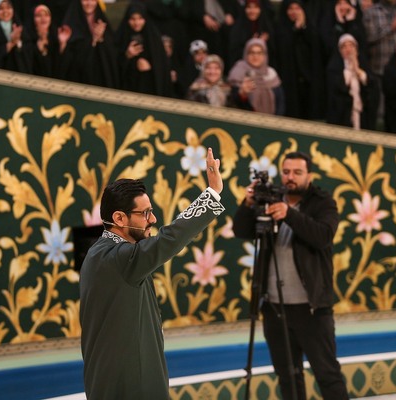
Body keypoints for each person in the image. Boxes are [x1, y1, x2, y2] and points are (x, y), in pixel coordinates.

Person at [79, 148, 225, 400]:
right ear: (119, 218)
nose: (153, 219)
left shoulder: (104, 252)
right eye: (145, 213)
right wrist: (212, 193)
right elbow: (169, 239)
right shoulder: (117, 258)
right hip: (128, 385)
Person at [233, 151, 349, 400]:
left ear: (309, 175)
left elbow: (323, 236)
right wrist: (248, 204)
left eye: (297, 172)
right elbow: (241, 230)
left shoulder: (323, 202)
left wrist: (289, 213)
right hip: (274, 307)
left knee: (327, 374)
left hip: (312, 308)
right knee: (287, 376)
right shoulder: (271, 198)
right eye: (286, 172)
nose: (290, 177)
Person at [274, 0, 326, 120]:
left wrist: (303, 27)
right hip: (290, 81)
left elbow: (317, 49)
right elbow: (283, 50)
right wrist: (295, 29)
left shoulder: (311, 28)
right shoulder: (280, 28)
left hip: (309, 82)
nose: (294, 12)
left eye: (297, 8)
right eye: (291, 9)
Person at [115, 3, 173, 96]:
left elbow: (162, 65)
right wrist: (127, 56)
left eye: (140, 18)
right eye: (133, 19)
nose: (136, 23)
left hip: (149, 88)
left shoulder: (153, 38)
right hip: (128, 89)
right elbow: (113, 66)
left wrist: (150, 66)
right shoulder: (121, 37)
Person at [59, 0, 120, 88]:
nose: (89, 3)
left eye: (92, 0)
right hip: (77, 83)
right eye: (85, 0)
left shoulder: (103, 25)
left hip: (100, 82)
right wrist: (62, 44)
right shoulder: (71, 25)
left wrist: (101, 39)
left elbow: (113, 56)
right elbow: (68, 60)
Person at [326, 33, 379, 130]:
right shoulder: (334, 68)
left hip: (362, 116)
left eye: (351, 45)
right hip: (343, 116)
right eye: (344, 46)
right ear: (340, 51)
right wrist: (349, 70)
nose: (348, 49)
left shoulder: (363, 65)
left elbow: (372, 86)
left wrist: (358, 70)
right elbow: (337, 88)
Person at [227, 38, 285, 115]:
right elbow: (235, 101)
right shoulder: (238, 72)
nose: (255, 56)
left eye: (259, 53)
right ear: (246, 54)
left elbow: (280, 102)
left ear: (265, 55)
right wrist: (242, 94)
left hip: (271, 120)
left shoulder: (271, 74)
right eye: (252, 52)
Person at [0, 0, 32, 73]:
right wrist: (11, 44)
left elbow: (28, 53)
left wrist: (18, 42)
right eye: (1, 8)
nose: (5, 11)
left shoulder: (18, 27)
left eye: (8, 7)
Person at [227, 0, 276, 71]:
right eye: (249, 7)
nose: (252, 11)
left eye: (256, 7)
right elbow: (234, 53)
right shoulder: (238, 28)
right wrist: (251, 44)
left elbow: (273, 52)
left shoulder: (267, 28)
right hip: (243, 71)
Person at [25, 4, 71, 77]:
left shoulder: (56, 37)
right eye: (39, 15)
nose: (43, 18)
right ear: (33, 19)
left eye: (46, 15)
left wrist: (62, 44)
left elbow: (62, 67)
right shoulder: (27, 38)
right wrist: (38, 49)